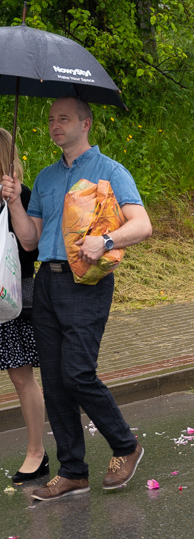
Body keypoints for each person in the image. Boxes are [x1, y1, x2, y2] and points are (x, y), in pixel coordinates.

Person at [3, 96, 153, 501]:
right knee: (53, 381)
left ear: (85, 123)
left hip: (87, 282)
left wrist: (105, 239)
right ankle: (73, 470)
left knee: (77, 373)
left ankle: (126, 445)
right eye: (51, 119)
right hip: (46, 283)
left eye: (64, 118)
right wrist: (15, 201)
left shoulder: (110, 171)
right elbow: (30, 239)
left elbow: (142, 225)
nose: (55, 125)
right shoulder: (47, 178)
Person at [0, 129, 45, 484]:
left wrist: (12, 202)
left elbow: (31, 249)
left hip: (12, 296)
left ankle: (36, 452)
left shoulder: (20, 194)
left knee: (20, 374)